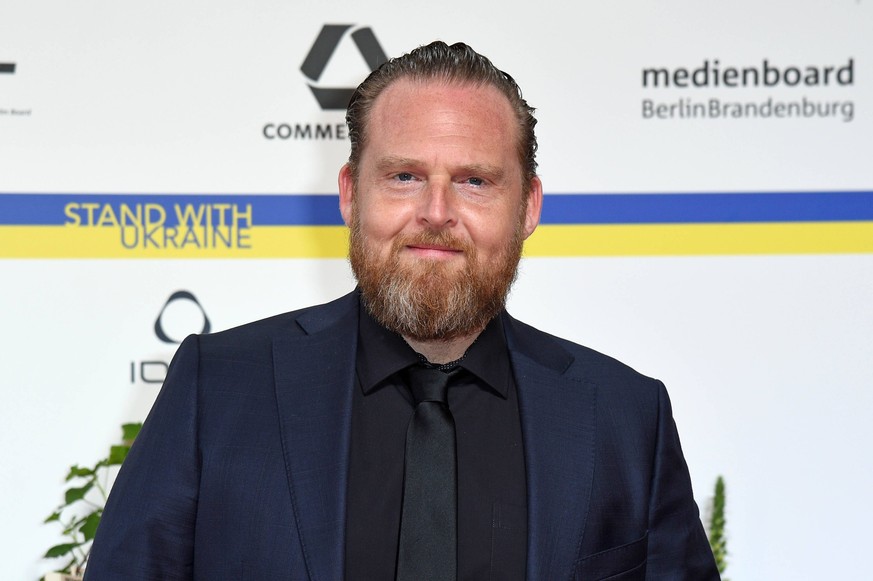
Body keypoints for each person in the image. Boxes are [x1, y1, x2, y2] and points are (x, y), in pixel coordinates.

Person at [85, 41, 720, 580]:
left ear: (527, 207)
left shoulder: (624, 416)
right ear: (350, 195)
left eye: (474, 180)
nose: (437, 213)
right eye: (404, 177)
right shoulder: (218, 387)